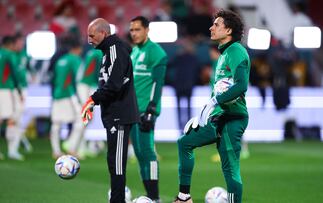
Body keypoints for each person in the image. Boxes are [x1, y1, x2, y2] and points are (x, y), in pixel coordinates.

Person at [173, 9, 250, 203]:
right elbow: (219, 91)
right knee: (185, 142)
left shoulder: (236, 51)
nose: (211, 27)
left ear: (229, 30)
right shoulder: (223, 55)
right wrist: (204, 114)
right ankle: (184, 197)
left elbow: (241, 86)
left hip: (233, 118)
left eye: (216, 24)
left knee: (230, 169)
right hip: (219, 117)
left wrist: (215, 101)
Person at [83, 18, 139, 203]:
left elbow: (114, 84)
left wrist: (93, 99)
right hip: (114, 115)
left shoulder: (116, 50)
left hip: (120, 115)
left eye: (92, 35)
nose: (89, 40)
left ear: (103, 33)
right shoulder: (108, 51)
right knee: (113, 161)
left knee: (117, 164)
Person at [129, 16, 168, 202]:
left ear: (147, 30)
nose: (134, 33)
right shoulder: (135, 51)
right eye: (132, 30)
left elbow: (157, 84)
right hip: (132, 110)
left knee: (148, 153)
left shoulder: (156, 52)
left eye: (137, 29)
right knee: (138, 153)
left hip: (146, 110)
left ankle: (155, 197)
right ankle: (151, 196)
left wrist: (152, 109)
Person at [50, 37, 83, 159]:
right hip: (70, 94)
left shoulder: (60, 60)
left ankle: (56, 151)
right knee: (81, 120)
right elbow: (78, 79)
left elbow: (54, 78)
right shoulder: (75, 60)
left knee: (56, 124)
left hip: (57, 94)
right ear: (78, 48)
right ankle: (71, 148)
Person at [0, 35, 24, 160]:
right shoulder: (9, 54)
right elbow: (14, 73)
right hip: (5, 89)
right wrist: (19, 91)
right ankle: (12, 151)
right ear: (10, 45)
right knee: (11, 119)